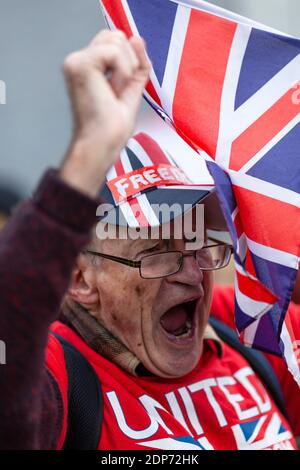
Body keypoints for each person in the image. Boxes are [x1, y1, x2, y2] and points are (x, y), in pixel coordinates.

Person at [0, 29, 299, 451]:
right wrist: (89, 151)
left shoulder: (239, 326)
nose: (194, 273)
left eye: (197, 243)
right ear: (80, 280)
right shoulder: (60, 378)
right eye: (157, 252)